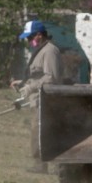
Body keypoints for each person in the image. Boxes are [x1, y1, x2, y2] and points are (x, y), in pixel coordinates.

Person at [10, 20, 62, 173]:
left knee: (41, 132)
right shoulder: (41, 50)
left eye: (29, 37)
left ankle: (46, 165)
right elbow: (39, 75)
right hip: (38, 99)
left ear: (39, 35)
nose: (28, 40)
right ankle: (40, 163)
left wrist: (30, 87)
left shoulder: (50, 51)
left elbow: (51, 77)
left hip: (46, 100)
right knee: (37, 131)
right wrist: (22, 83)